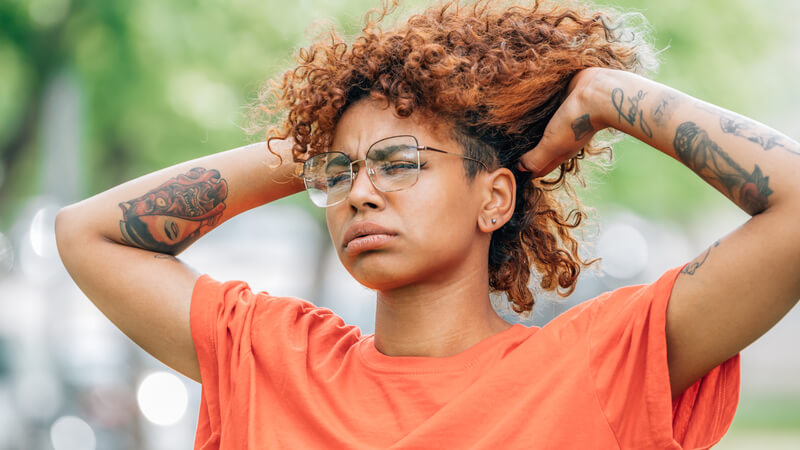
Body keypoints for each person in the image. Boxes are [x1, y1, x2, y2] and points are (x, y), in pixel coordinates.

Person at [54, 0, 800, 448]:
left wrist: (607, 93)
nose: (361, 194)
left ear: (495, 198)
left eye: (400, 163)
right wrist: (314, 148)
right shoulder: (271, 361)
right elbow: (87, 233)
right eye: (340, 177)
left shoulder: (603, 364)